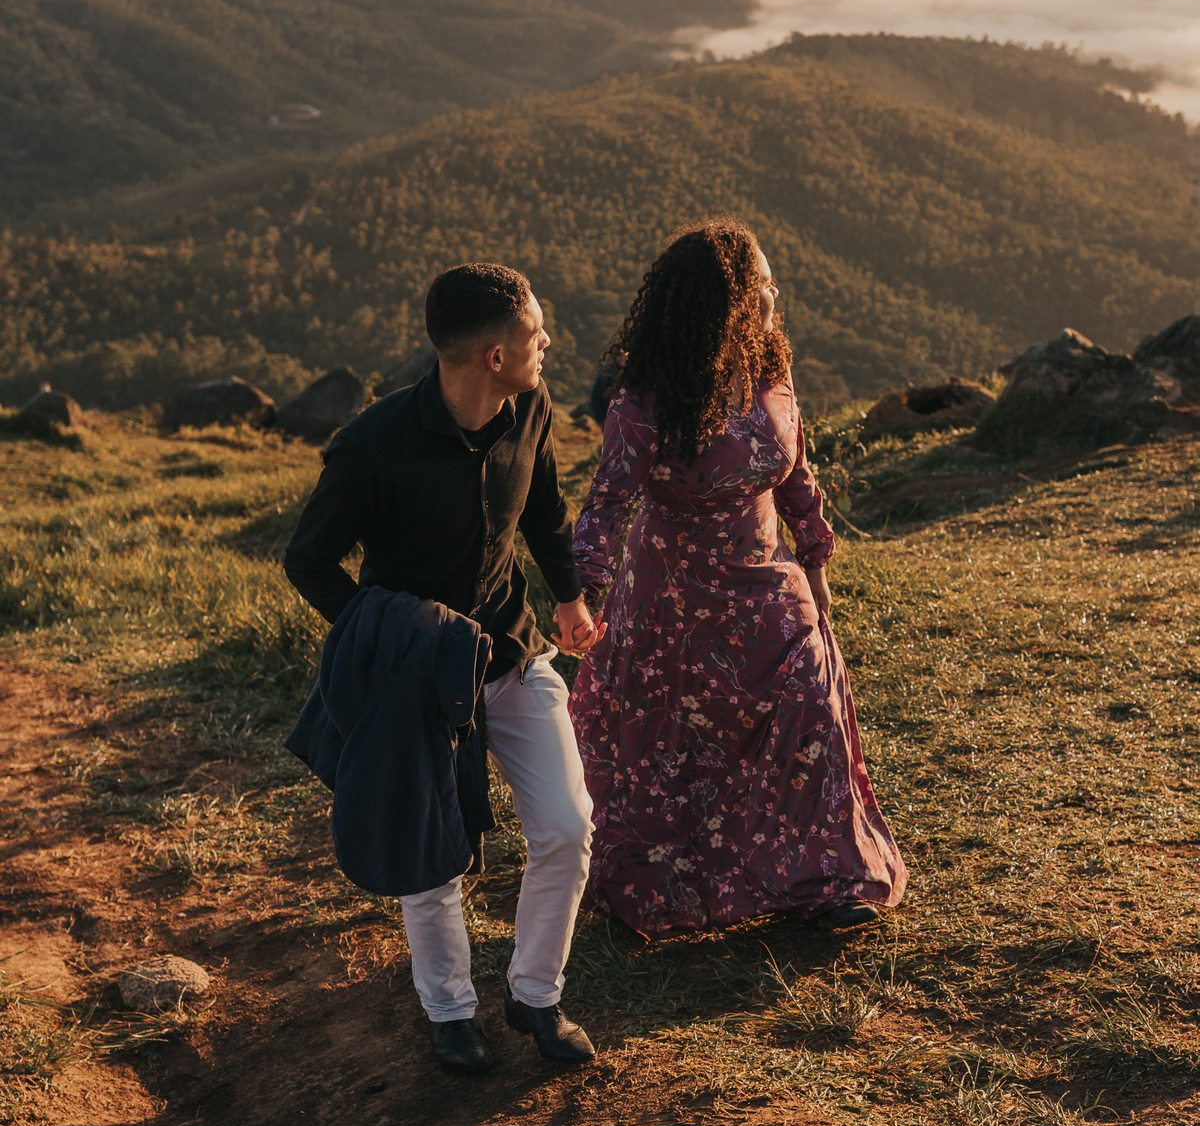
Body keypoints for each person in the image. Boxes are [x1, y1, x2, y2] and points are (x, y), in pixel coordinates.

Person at [284, 262, 605, 1073]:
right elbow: (309, 559)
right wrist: (382, 637)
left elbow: (544, 511)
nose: (548, 343)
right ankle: (449, 1011)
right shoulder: (370, 449)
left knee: (567, 828)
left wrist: (568, 600)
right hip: (418, 680)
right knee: (434, 857)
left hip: (513, 651)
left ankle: (536, 996)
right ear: (494, 355)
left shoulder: (528, 408)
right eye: (537, 333)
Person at [568, 220, 908, 937]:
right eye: (759, 287)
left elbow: (798, 474)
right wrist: (579, 594)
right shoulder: (646, 402)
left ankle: (821, 882)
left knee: (810, 712)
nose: (772, 297)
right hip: (676, 608)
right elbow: (607, 502)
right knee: (678, 755)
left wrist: (814, 561)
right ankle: (672, 893)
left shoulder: (770, 370)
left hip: (769, 591)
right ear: (715, 305)